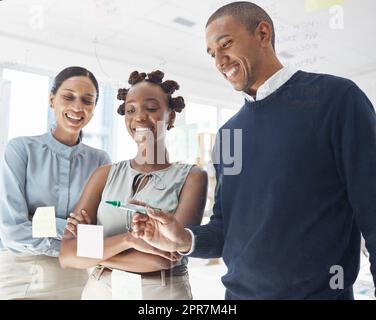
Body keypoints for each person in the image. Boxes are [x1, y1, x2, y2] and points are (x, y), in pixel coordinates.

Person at [131, 2, 376, 300]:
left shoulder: (336, 100)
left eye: (226, 44)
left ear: (262, 33)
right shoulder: (230, 135)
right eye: (212, 54)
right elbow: (224, 228)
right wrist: (183, 238)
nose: (220, 61)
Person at [59, 70, 208, 300]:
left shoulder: (192, 177)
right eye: (131, 110)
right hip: (101, 289)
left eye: (151, 108)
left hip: (160, 293)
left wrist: (91, 250)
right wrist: (129, 240)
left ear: (170, 116)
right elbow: (67, 254)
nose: (138, 117)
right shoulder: (104, 175)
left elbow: (164, 257)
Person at [0, 66, 111, 299]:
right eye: (68, 97)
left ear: (93, 108)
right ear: (52, 100)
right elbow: (12, 232)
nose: (77, 107)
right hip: (19, 272)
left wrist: (38, 220)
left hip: (74, 274)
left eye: (87, 100)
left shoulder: (100, 161)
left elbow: (98, 234)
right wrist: (73, 232)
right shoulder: (20, 150)